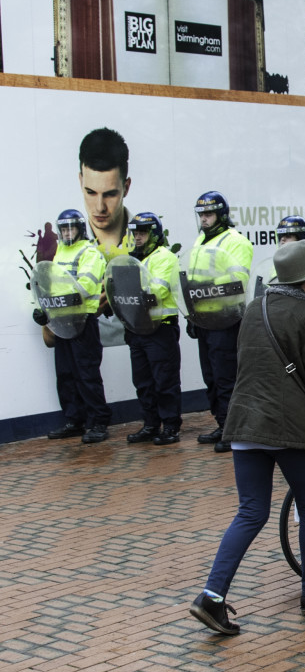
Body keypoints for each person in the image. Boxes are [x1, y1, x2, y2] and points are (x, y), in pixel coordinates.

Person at [189, 240, 305, 635]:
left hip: (243, 424)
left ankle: (212, 596)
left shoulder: (254, 307)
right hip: (290, 426)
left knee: (250, 512)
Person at [186, 191, 253, 453]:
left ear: (222, 215)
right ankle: (222, 423)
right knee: (211, 376)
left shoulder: (236, 241)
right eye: (201, 214)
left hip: (226, 320)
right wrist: (191, 312)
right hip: (204, 319)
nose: (204, 219)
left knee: (227, 377)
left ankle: (234, 428)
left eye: (209, 214)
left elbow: (236, 282)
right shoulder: (201, 240)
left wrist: (202, 290)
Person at [36, 210, 111, 443]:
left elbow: (86, 287)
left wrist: (57, 301)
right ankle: (74, 420)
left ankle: (99, 422)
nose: (68, 232)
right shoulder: (60, 252)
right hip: (61, 320)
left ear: (81, 229)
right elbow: (53, 286)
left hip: (82, 321)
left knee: (86, 373)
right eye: (64, 229)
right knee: (66, 373)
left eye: (72, 228)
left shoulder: (89, 252)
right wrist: (46, 310)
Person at [121, 213, 183, 446]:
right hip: (137, 328)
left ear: (154, 235)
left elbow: (156, 292)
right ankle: (150, 424)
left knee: (164, 380)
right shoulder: (133, 260)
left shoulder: (164, 257)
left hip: (160, 328)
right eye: (135, 233)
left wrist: (131, 291)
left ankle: (170, 426)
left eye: (142, 233)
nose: (138, 237)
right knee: (143, 381)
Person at [78, 127, 134, 258]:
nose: (100, 207)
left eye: (110, 194)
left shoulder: (154, 243)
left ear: (126, 187)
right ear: (81, 182)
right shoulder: (60, 247)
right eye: (91, 192)